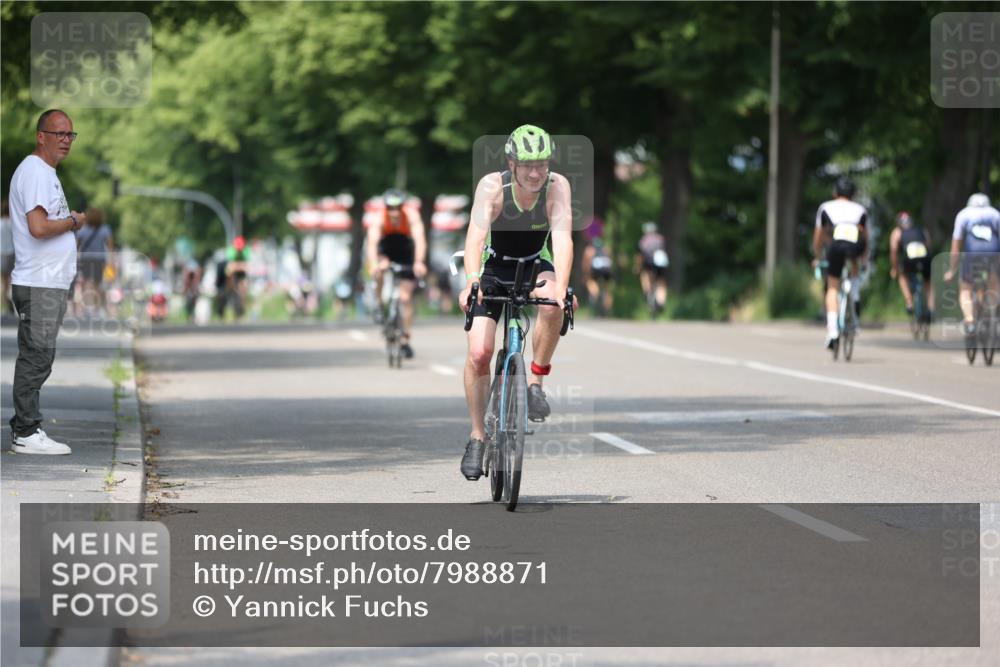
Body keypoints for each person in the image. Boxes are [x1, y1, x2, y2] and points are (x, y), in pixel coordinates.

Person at [458, 124, 574, 480]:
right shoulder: (492, 187)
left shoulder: (557, 187)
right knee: (480, 352)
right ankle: (477, 437)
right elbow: (475, 239)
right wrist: (473, 281)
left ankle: (536, 382)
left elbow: (564, 239)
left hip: (535, 264)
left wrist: (563, 288)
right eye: (527, 165)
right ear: (511, 163)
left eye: (542, 163)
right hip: (494, 268)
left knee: (553, 303)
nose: (536, 172)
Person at [7, 109, 85, 455]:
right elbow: (39, 228)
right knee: (36, 358)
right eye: (59, 134)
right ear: (41, 136)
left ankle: (28, 428)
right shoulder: (36, 172)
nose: (66, 141)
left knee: (40, 356)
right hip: (39, 282)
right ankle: (26, 431)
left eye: (70, 135)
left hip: (46, 282)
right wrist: (71, 221)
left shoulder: (43, 173)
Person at [366, 188, 427, 358]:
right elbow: (372, 243)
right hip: (385, 250)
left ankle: (405, 339)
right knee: (379, 270)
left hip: (405, 251)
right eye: (390, 208)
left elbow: (420, 240)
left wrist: (419, 262)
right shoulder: (379, 218)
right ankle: (378, 304)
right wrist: (373, 263)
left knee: (405, 297)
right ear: (385, 207)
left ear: (402, 207)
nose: (394, 212)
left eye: (398, 208)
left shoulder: (412, 216)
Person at [812, 176, 869, 350]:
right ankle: (855, 293)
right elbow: (866, 237)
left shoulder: (826, 207)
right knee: (854, 263)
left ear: (835, 192)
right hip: (855, 246)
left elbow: (819, 235)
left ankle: (833, 331)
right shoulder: (861, 209)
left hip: (835, 246)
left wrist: (818, 256)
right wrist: (864, 258)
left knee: (832, 288)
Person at [943, 193, 1000, 341]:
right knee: (993, 282)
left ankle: (970, 321)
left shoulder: (964, 214)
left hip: (972, 254)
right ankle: (992, 315)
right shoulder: (995, 214)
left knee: (966, 288)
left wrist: (952, 269)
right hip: (993, 253)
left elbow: (956, 246)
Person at [889, 211, 935, 320]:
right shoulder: (921, 229)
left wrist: (895, 268)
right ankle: (931, 308)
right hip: (925, 259)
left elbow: (894, 251)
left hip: (909, 260)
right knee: (928, 282)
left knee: (902, 275)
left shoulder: (897, 232)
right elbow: (929, 245)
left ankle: (909, 302)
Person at [74, 206, 114, 317]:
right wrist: (112, 262)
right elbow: (110, 246)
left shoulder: (83, 229)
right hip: (100, 259)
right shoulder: (105, 229)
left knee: (86, 283)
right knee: (98, 284)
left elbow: (76, 246)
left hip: (85, 259)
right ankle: (99, 308)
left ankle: (87, 308)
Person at [581, 216, 613, 315]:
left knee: (591, 282)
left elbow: (587, 262)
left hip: (595, 268)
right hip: (607, 268)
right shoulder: (605, 247)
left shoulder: (590, 248)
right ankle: (607, 310)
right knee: (607, 289)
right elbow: (610, 257)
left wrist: (586, 275)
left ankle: (594, 297)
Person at [635, 222, 669, 315]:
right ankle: (661, 301)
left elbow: (640, 255)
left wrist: (637, 267)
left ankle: (648, 294)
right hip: (661, 262)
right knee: (661, 282)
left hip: (649, 262)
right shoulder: (660, 238)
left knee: (645, 276)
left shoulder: (643, 240)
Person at [1, 199, 13, 313]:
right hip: (11, 254)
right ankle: (10, 302)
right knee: (11, 280)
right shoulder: (12, 224)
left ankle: (4, 306)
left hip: (1, 254)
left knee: (4, 282)